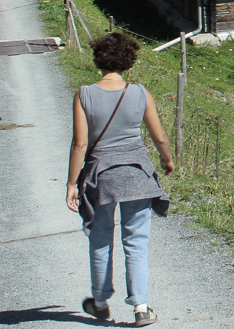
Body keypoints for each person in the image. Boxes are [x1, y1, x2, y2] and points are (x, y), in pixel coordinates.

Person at [66, 33, 173, 325]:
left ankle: (100, 302)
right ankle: (141, 307)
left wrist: (72, 184)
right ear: (129, 60)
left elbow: (79, 144)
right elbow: (159, 136)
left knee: (100, 239)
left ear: (98, 59)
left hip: (102, 178)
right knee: (136, 242)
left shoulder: (84, 94)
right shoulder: (140, 93)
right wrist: (167, 160)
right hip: (137, 177)